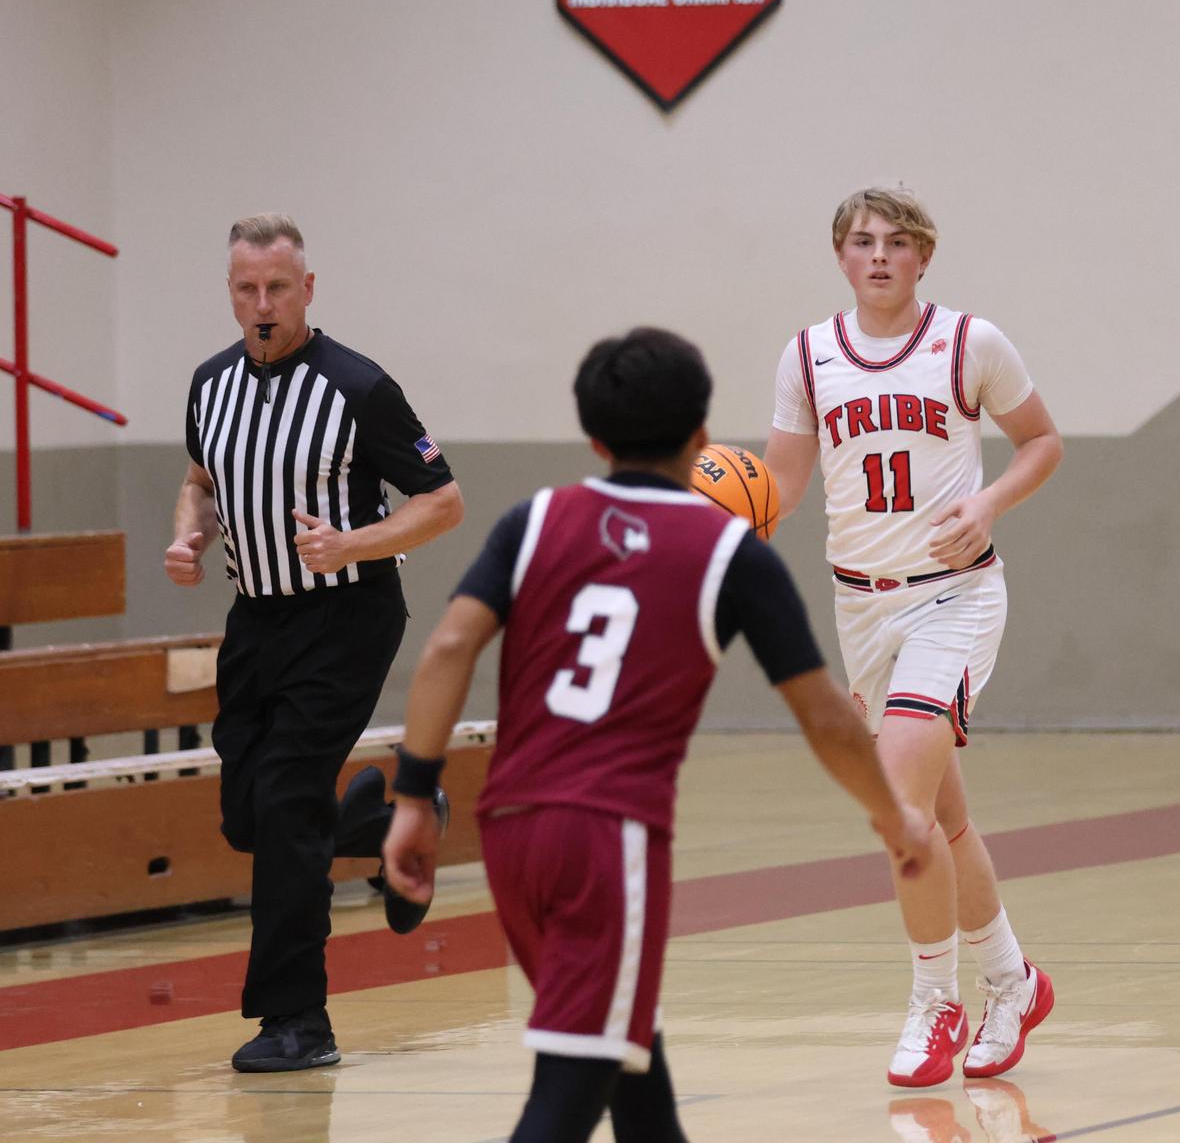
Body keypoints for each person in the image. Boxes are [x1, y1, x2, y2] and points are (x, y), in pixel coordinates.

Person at [381, 327, 934, 1143]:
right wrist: (894, 817)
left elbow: (448, 649)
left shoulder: (535, 519)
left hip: (510, 829)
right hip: (608, 839)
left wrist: (412, 798)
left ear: (595, 439)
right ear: (702, 436)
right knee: (570, 1092)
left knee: (634, 1073)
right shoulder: (731, 552)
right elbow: (825, 715)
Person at [763, 187, 1065, 1086]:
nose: (880, 256)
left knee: (899, 806)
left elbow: (1042, 442)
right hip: (861, 609)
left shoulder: (970, 342)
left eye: (898, 242)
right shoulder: (809, 356)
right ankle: (1014, 983)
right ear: (841, 256)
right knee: (942, 820)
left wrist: (988, 502)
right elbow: (781, 484)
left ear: (924, 256)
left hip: (953, 596)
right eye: (863, 242)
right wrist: (718, 515)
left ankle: (936, 1000)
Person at [164, 213, 464, 1072]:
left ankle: (298, 1021)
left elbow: (442, 502)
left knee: (289, 800)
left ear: (307, 289)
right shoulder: (209, 385)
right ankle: (384, 824)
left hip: (346, 617)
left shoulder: (359, 387)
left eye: (278, 288)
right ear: (230, 292)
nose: (263, 304)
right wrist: (189, 533)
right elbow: (200, 480)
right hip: (255, 621)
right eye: (247, 289)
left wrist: (352, 543)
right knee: (250, 818)